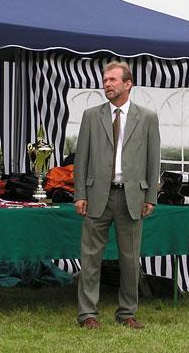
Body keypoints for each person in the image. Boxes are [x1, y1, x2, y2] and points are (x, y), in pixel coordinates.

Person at [74, 61, 161, 330]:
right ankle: (87, 313)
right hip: (97, 195)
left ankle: (127, 312)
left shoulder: (147, 117)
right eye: (105, 79)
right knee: (90, 258)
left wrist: (151, 197)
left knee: (130, 260)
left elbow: (153, 160)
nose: (107, 84)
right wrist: (80, 193)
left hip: (131, 197)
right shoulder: (91, 115)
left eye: (112, 79)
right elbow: (81, 158)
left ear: (128, 84)